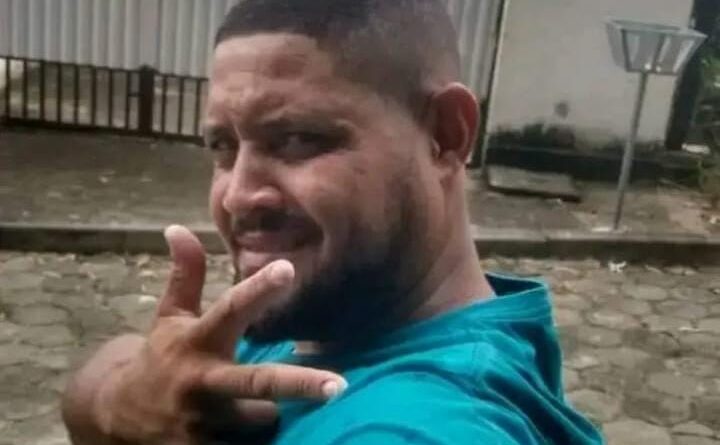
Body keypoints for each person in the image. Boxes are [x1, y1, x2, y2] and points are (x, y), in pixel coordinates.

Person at [62, 0, 604, 444]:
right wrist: (121, 401)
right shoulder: (340, 305)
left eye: (298, 139)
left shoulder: (424, 427)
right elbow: (109, 372)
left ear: (445, 135)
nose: (238, 196)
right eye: (223, 146)